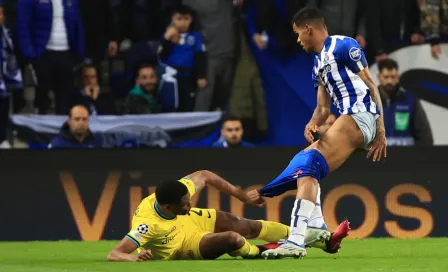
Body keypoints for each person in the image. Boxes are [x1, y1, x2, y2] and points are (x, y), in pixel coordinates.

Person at [246, 7, 386, 259]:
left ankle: (295, 241)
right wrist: (311, 123)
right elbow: (322, 108)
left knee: (309, 162)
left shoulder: (344, 45)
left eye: (299, 34)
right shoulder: (318, 63)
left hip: (362, 115)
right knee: (303, 164)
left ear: (308, 29)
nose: (298, 40)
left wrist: (381, 130)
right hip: (348, 119)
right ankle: (319, 228)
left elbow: (371, 84)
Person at [107, 170, 349, 261]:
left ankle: (320, 240)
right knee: (232, 239)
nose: (189, 204)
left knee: (248, 226)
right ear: (168, 207)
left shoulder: (179, 197)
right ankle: (260, 254)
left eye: (188, 199)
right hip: (180, 245)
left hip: (188, 223)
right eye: (184, 204)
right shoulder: (147, 225)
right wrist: (134, 259)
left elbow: (205, 175)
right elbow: (115, 253)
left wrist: (241, 196)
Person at [158, 5, 207, 112]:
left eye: (186, 19)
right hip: (170, 75)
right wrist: (167, 39)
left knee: (187, 104)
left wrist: (201, 76)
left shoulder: (195, 36)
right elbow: (161, 55)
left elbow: (200, 56)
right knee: (170, 103)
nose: (183, 22)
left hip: (188, 75)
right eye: (179, 19)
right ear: (172, 19)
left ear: (191, 20)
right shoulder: (167, 35)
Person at [377, 59, 433, 146]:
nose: (389, 81)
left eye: (393, 77)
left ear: (397, 77)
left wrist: (421, 158)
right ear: (379, 77)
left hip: (407, 157)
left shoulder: (411, 100)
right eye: (386, 77)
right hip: (376, 158)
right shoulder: (369, 102)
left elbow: (425, 136)